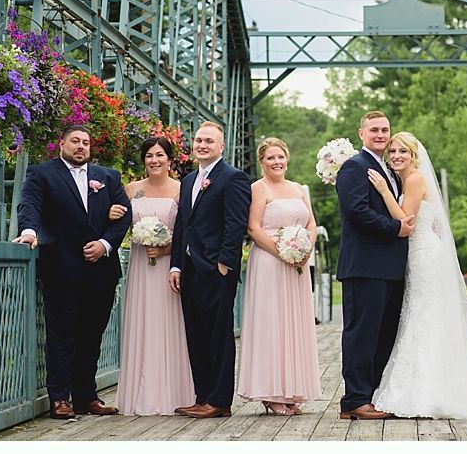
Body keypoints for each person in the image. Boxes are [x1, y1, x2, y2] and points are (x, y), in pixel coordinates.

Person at [369, 132, 467, 419]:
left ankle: (429, 389)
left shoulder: (414, 179)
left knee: (424, 315)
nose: (396, 156)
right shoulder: (406, 179)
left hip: (424, 256)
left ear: (413, 154)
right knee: (419, 315)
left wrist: (382, 192)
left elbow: (404, 219)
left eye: (402, 151)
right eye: (392, 151)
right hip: (417, 253)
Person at [14, 124, 132, 419]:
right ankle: (59, 398)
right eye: (75, 141)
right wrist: (29, 231)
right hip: (60, 267)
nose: (81, 146)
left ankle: (86, 396)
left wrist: (105, 244)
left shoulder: (107, 177)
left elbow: (124, 214)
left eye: (86, 143)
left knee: (92, 334)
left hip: (101, 269)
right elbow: (30, 205)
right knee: (62, 334)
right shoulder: (43, 174)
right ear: (62, 143)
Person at [335, 110, 415, 420]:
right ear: (361, 133)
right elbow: (356, 212)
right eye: (374, 130)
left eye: (385, 130)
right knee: (361, 335)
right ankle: (354, 400)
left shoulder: (390, 169)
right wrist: (395, 229)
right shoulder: (354, 167)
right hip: (365, 266)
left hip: (389, 268)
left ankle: (372, 395)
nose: (380, 135)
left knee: (383, 335)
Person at [169, 121, 251, 419]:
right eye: (198, 140)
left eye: (209, 141)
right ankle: (202, 396)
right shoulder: (189, 179)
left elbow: (235, 224)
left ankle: (219, 400)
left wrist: (225, 264)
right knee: (196, 334)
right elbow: (182, 225)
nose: (202, 145)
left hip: (216, 270)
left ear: (221, 146)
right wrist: (176, 264)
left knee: (218, 335)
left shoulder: (233, 178)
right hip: (189, 268)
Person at [109, 136, 194, 415]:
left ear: (170, 159)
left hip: (170, 268)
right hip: (141, 266)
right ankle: (139, 395)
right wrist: (110, 213)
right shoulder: (132, 189)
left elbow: (189, 230)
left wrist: (167, 247)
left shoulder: (183, 190)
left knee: (171, 325)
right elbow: (118, 223)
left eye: (159, 155)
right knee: (143, 323)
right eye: (149, 156)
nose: (154, 160)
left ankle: (175, 394)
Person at [237, 137, 321, 415]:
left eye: (281, 157)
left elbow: (310, 223)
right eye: (271, 158)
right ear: (262, 162)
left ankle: (291, 389)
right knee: (271, 323)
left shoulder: (298, 188)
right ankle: (271, 391)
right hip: (270, 262)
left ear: (287, 158)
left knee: (293, 324)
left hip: (297, 264)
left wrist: (305, 248)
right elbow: (253, 227)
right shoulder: (258, 189)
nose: (277, 162)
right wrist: (282, 252)